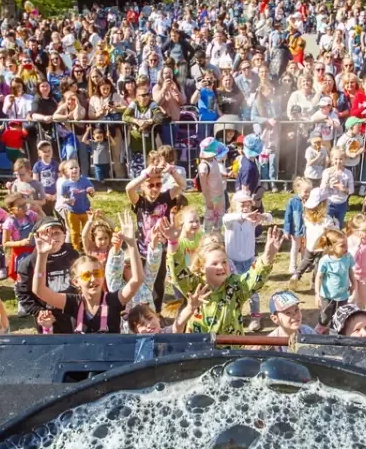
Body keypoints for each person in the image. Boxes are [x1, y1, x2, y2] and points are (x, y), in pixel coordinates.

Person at [33, 209, 143, 334]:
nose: (93, 279)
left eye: (97, 274)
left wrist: (132, 244)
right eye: (86, 275)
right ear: (76, 281)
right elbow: (39, 291)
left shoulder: (113, 300)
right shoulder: (73, 302)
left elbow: (137, 279)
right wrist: (42, 255)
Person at [173, 227, 284, 335]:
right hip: (200, 350)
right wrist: (172, 244)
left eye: (224, 262)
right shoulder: (195, 286)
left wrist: (268, 256)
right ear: (202, 267)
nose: (221, 267)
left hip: (231, 350)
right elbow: (178, 271)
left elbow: (254, 277)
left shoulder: (236, 286)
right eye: (214, 263)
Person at [126, 161, 184, 310]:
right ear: (143, 187)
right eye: (150, 185)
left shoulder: (165, 198)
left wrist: (172, 171)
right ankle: (140, 309)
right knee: (141, 281)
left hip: (161, 250)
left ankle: (156, 311)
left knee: (159, 283)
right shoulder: (140, 201)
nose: (155, 188)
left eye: (158, 184)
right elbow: (129, 188)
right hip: (143, 251)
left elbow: (181, 184)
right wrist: (145, 174)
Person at [15, 216, 79, 326]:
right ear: (37, 237)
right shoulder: (28, 264)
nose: (52, 237)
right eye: (47, 233)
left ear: (64, 235)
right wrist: (38, 311)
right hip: (47, 316)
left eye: (57, 232)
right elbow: (23, 294)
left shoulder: (73, 256)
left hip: (73, 312)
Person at [223, 189, 269, 327]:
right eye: (241, 204)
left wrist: (263, 217)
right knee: (233, 290)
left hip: (249, 261)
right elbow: (225, 218)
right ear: (233, 205)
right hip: (232, 262)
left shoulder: (252, 221)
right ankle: (235, 314)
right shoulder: (230, 220)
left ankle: (255, 316)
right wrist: (242, 216)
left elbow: (269, 217)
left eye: (248, 204)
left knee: (252, 290)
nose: (245, 207)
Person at [55, 158, 95, 250]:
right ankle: (76, 248)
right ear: (66, 172)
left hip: (85, 210)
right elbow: (63, 198)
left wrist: (91, 191)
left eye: (76, 167)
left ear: (79, 169)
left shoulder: (84, 180)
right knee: (74, 231)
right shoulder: (65, 184)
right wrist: (68, 200)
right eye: (71, 168)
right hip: (72, 211)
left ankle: (88, 246)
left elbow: (92, 193)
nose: (74, 170)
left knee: (87, 229)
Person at [197, 137, 229, 232]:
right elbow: (204, 186)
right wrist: (208, 200)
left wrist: (224, 175)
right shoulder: (204, 166)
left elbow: (216, 172)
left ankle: (217, 233)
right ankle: (206, 234)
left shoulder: (213, 159)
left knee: (220, 215)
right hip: (212, 196)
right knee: (210, 216)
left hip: (220, 193)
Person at [284, 177, 311, 275]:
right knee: (295, 247)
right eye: (306, 192)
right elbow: (288, 216)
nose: (308, 194)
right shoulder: (293, 201)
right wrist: (286, 230)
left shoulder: (311, 201)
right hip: (296, 229)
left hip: (307, 230)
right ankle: (292, 265)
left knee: (305, 247)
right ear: (299, 190)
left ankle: (304, 263)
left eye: (309, 192)